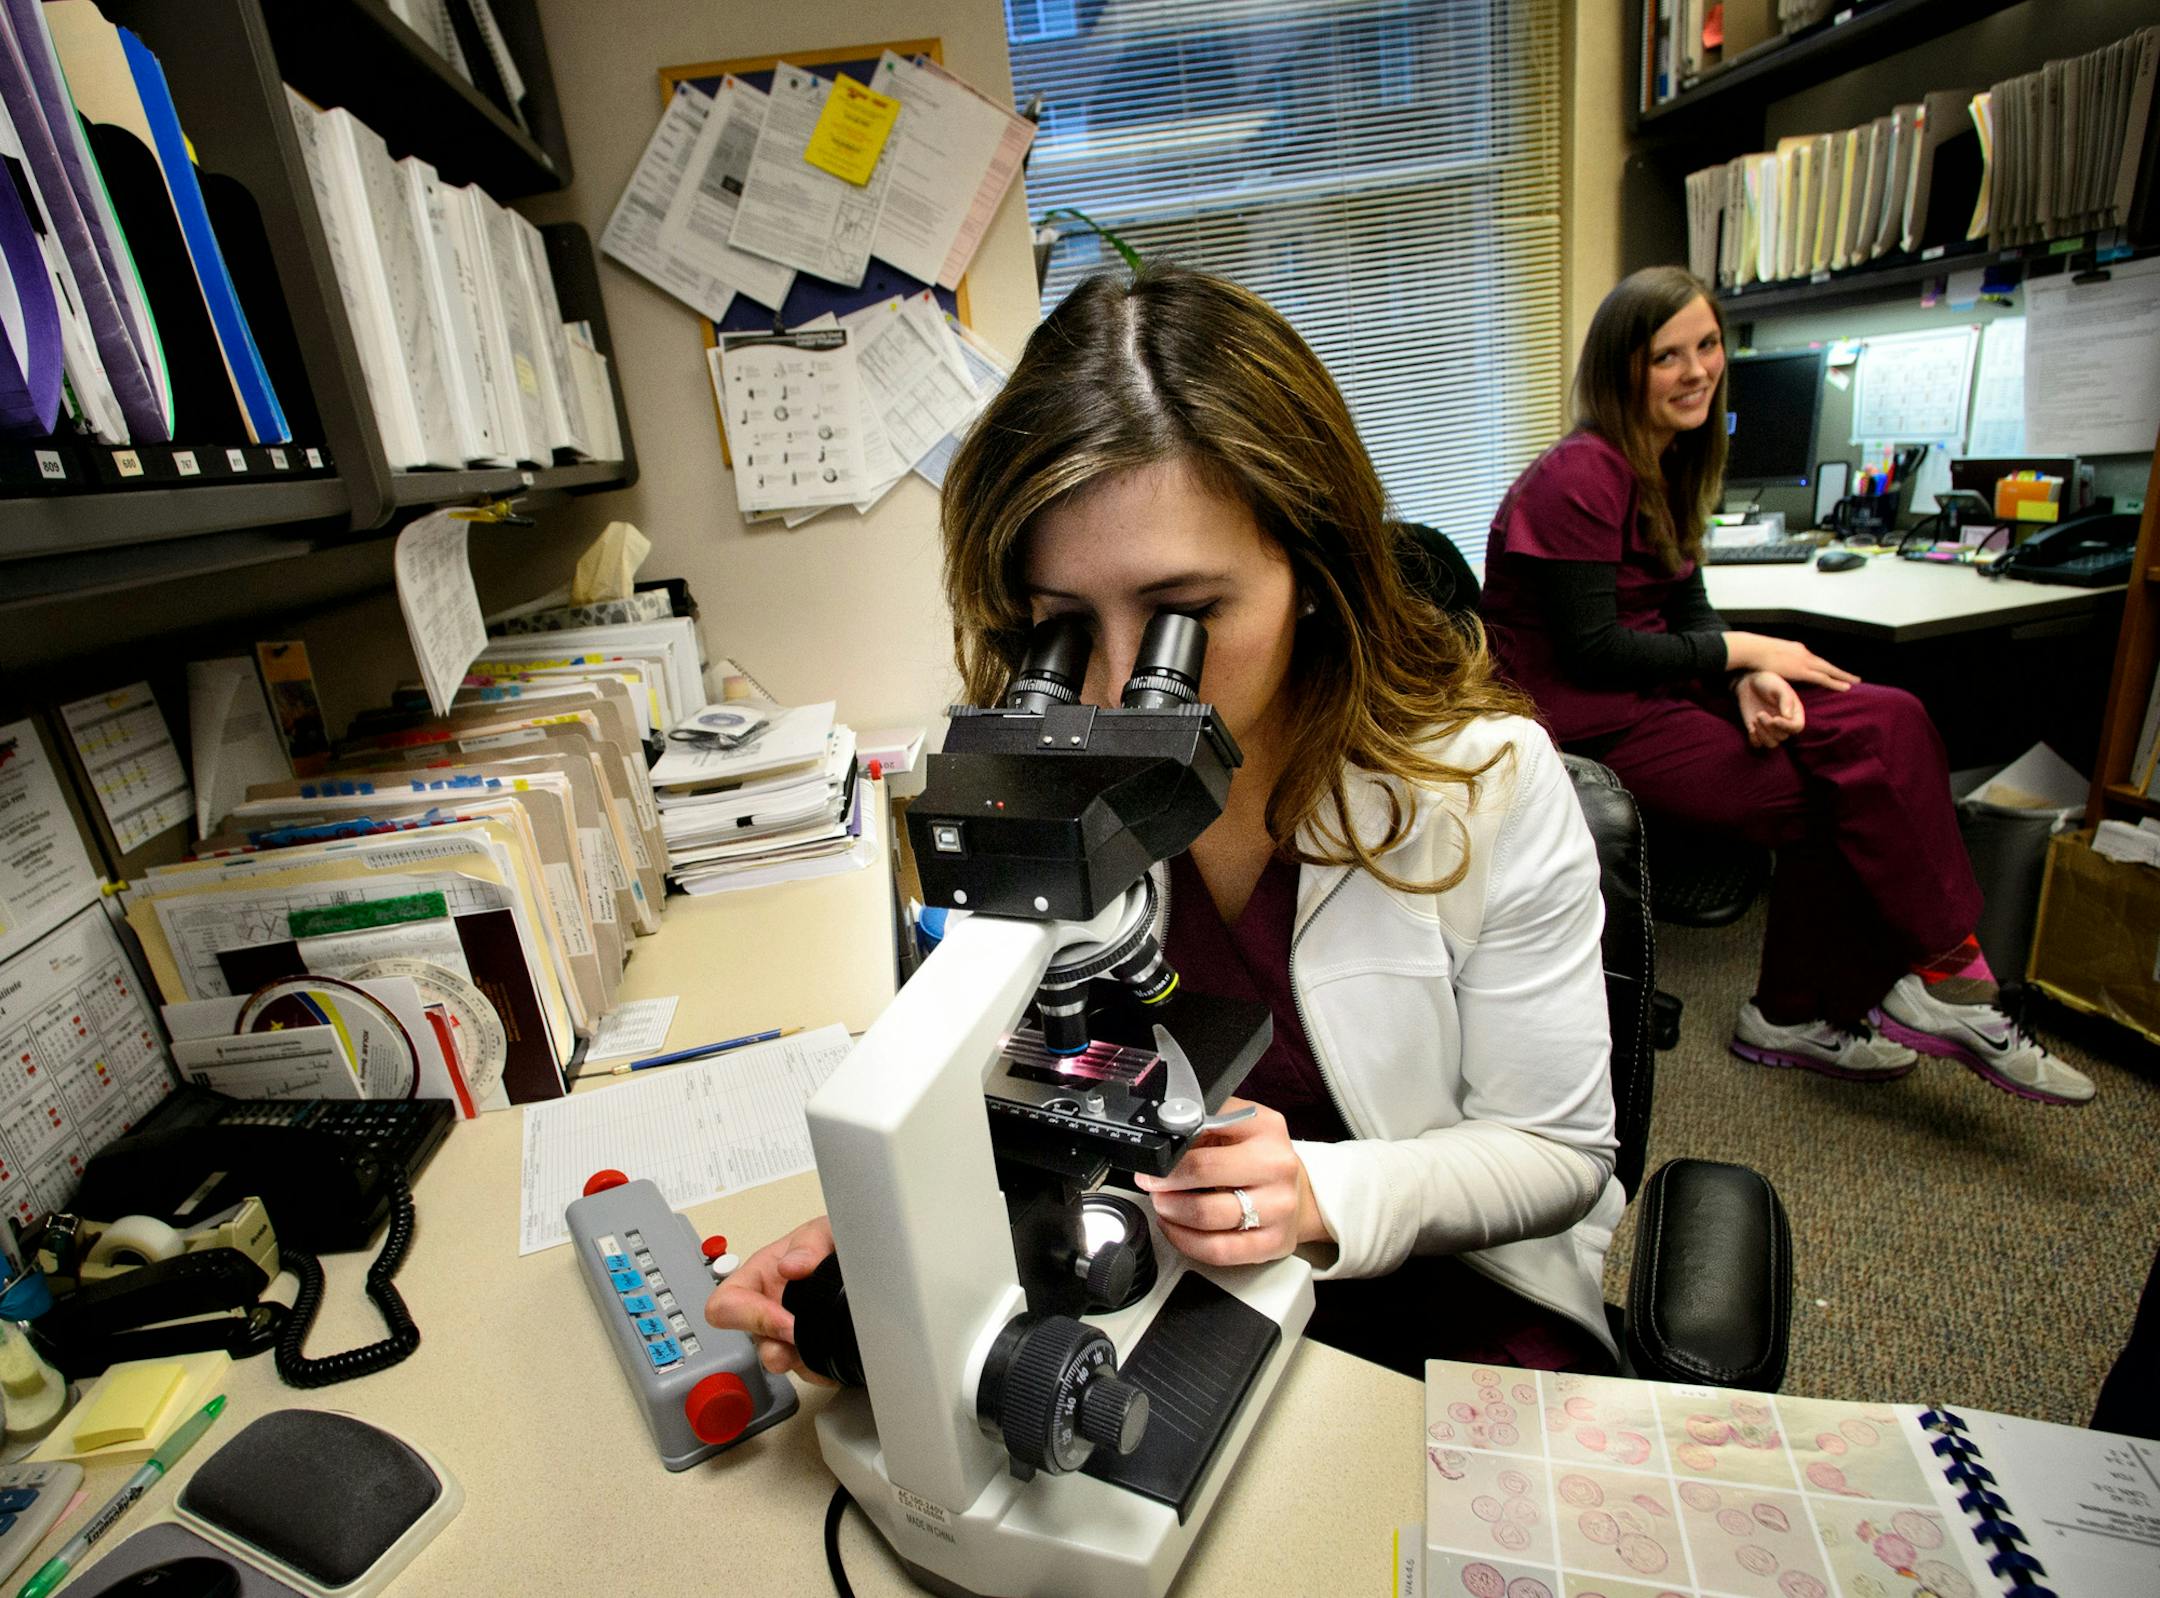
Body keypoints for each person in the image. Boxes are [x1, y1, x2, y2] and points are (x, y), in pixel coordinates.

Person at [710, 265, 1626, 1382]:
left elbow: (1559, 1151)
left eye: (1183, 619)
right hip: (1164, 1283)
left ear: (1315, 568)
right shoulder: (1044, 794)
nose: (1111, 686)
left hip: (1439, 1295)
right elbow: (1018, 1095)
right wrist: (892, 1235)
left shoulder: (1482, 782)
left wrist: (1323, 1192)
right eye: (1061, 626)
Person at [1480, 265, 2093, 1105]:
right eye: (1668, 356)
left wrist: (1749, 675)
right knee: (1829, 800)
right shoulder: (1580, 474)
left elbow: (1680, 603)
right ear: (1623, 368)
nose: (1697, 371)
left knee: (1890, 715)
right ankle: (1853, 999)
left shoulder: (1665, 462)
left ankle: (1931, 968)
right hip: (1587, 719)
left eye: (1708, 346)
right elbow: (1595, 652)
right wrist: (1747, 648)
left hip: (1661, 692)